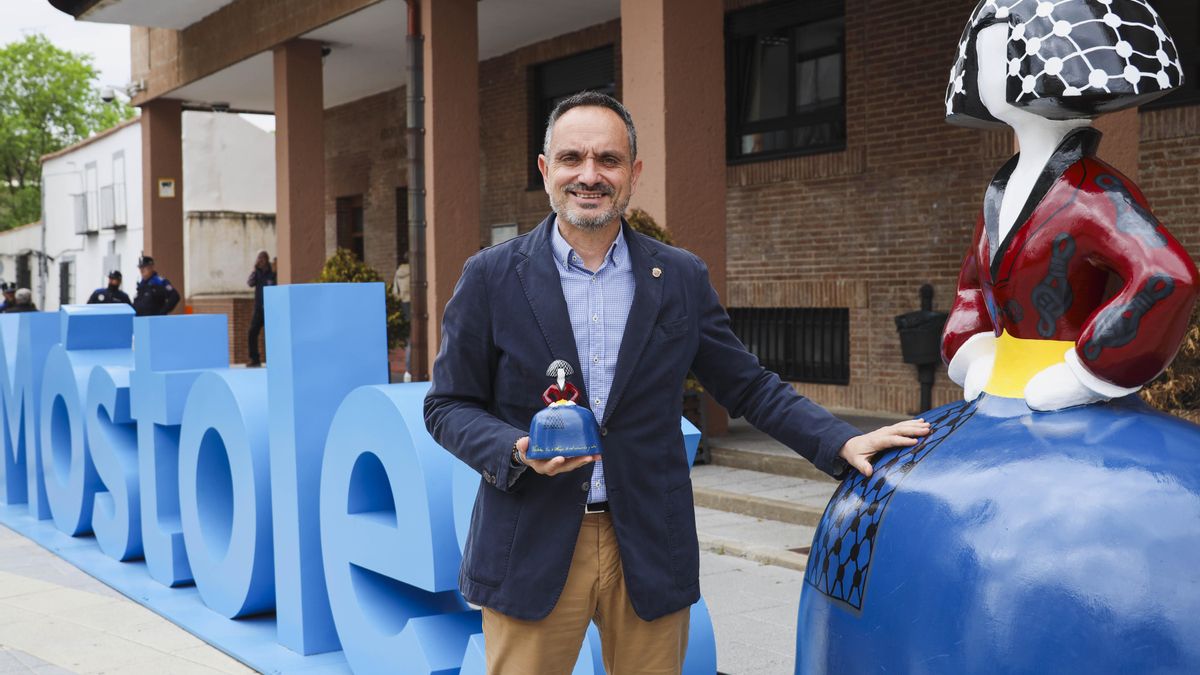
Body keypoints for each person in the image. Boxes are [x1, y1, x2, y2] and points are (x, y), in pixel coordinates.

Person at [423, 91, 930, 674]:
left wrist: (839, 441)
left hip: (647, 544)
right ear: (545, 170)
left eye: (608, 160)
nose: (589, 175)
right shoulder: (490, 276)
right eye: (571, 159)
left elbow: (748, 385)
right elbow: (448, 405)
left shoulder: (679, 276)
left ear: (633, 174)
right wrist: (516, 449)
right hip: (529, 540)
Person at [246, 250, 276, 367]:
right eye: (259, 259)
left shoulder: (273, 273)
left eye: (262, 258)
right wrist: (254, 269)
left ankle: (272, 359)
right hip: (258, 310)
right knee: (252, 332)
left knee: (269, 335)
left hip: (270, 309)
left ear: (267, 259)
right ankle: (254, 359)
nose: (260, 261)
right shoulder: (257, 273)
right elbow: (249, 283)